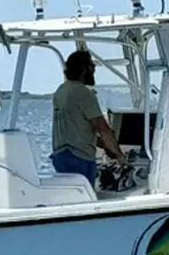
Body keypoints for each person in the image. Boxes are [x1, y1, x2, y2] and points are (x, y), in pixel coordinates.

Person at [51, 49, 123, 185]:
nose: (94, 69)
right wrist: (120, 156)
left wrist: (105, 146)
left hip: (61, 156)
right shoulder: (84, 93)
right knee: (86, 202)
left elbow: (79, 130)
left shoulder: (60, 91)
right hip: (79, 158)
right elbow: (103, 129)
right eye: (92, 66)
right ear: (84, 69)